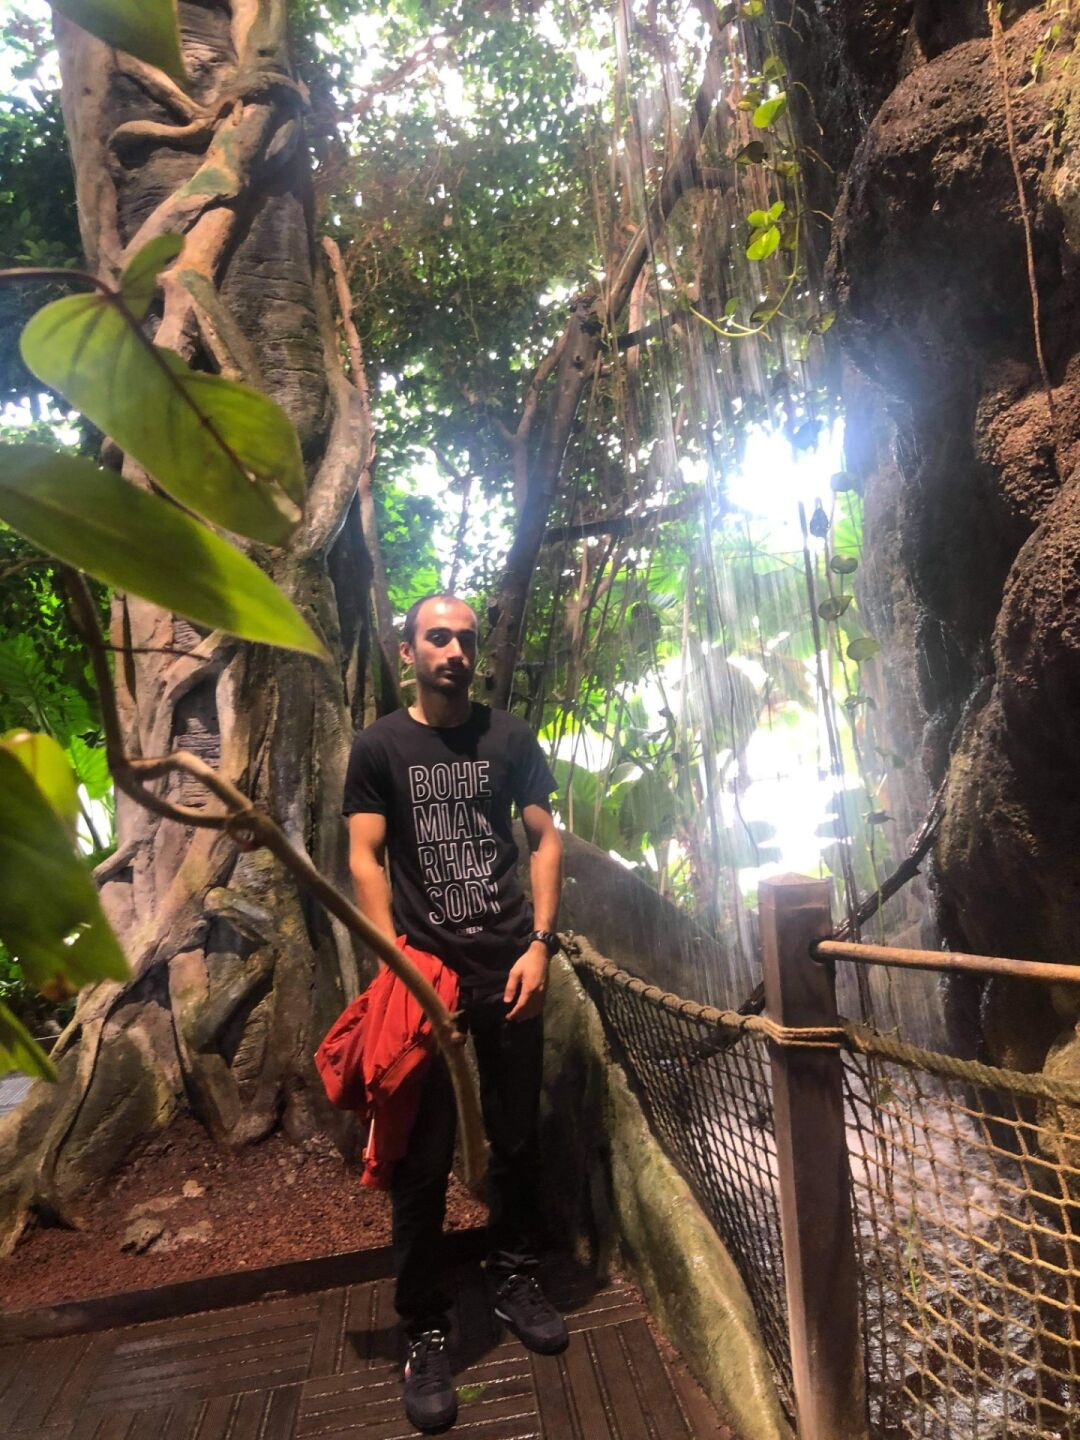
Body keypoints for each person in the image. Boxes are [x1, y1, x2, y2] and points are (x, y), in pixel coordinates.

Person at [342, 592, 567, 1433]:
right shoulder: (380, 746)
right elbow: (365, 856)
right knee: (422, 1156)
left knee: (516, 1134)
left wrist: (540, 944)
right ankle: (425, 1325)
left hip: (507, 963)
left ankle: (513, 1276)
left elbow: (543, 838)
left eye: (466, 639)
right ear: (407, 652)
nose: (455, 651)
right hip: (426, 976)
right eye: (437, 638)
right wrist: (397, 965)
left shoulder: (508, 738)